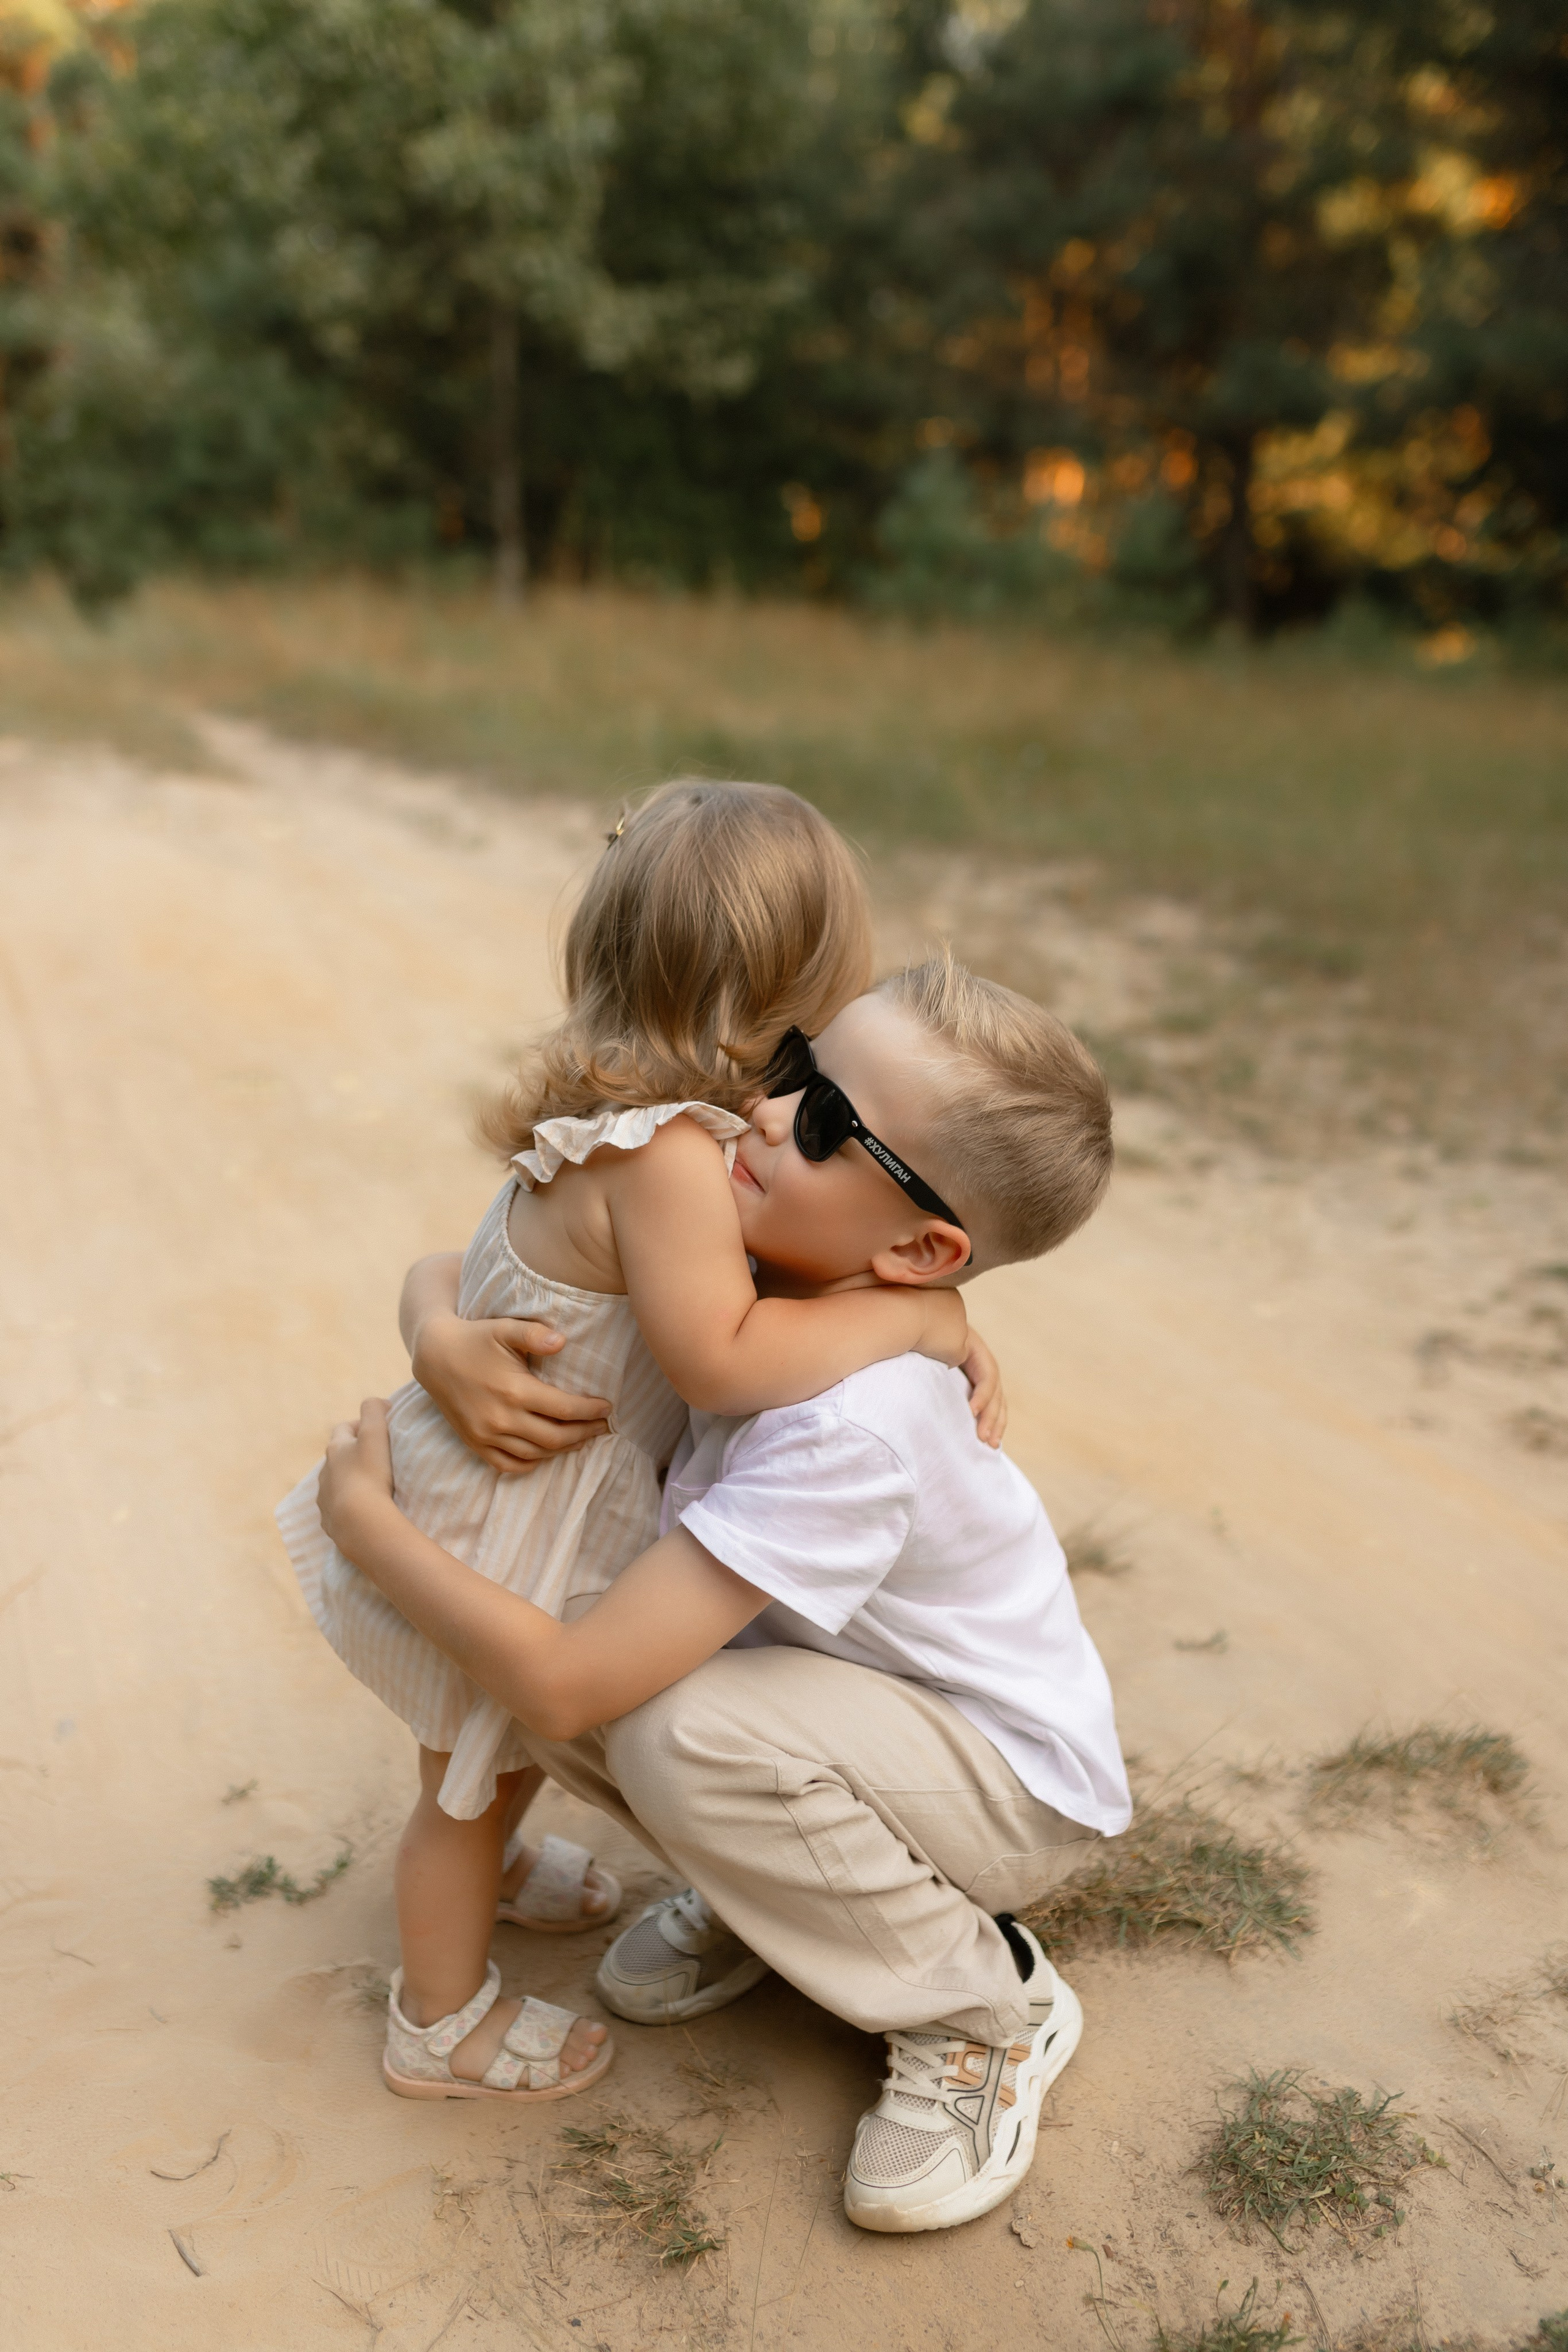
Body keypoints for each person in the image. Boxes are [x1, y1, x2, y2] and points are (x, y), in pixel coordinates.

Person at [316, 957, 1132, 2232]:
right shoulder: (758, 1277)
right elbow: (502, 1257)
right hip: (847, 1715)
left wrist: (373, 1533)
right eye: (794, 1067)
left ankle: (982, 2006)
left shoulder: (852, 1422)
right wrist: (437, 1330)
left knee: (653, 1713)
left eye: (819, 1121)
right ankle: (790, 1893)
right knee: (580, 1625)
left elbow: (571, 1682)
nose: (760, 1111)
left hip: (1000, 1788)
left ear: (920, 1247)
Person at [277, 781, 999, 2108]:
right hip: (512, 1520)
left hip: (491, 1486)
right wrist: (918, 1318)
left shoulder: (605, 1111)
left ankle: (491, 1880)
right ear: (781, 995)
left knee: (485, 1766)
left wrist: (431, 1320)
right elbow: (720, 1351)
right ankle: (438, 2023)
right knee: (462, 1786)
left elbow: (471, 1265)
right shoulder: (672, 1154)